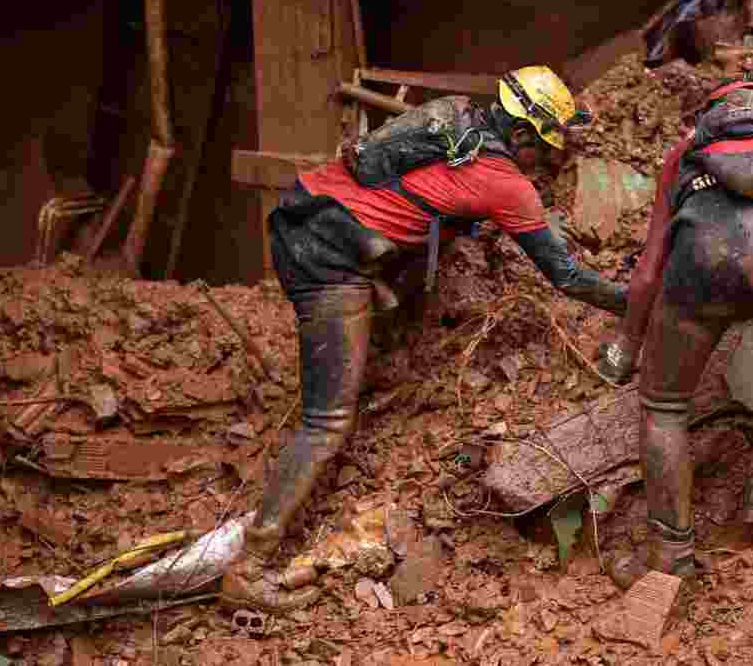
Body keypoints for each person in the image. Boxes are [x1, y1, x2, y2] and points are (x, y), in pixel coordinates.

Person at [221, 66, 627, 612]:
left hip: (305, 215)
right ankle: (251, 567)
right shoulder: (506, 183)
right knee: (327, 420)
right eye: (544, 148)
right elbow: (569, 277)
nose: (545, 162)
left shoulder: (453, 118)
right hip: (329, 259)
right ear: (524, 135)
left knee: (387, 298)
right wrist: (639, 300)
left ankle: (375, 310)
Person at [596, 75, 753, 585]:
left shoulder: (686, 150)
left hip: (706, 259)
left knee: (664, 405)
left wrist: (625, 346)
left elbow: (648, 270)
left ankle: (670, 552)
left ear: (710, 112)